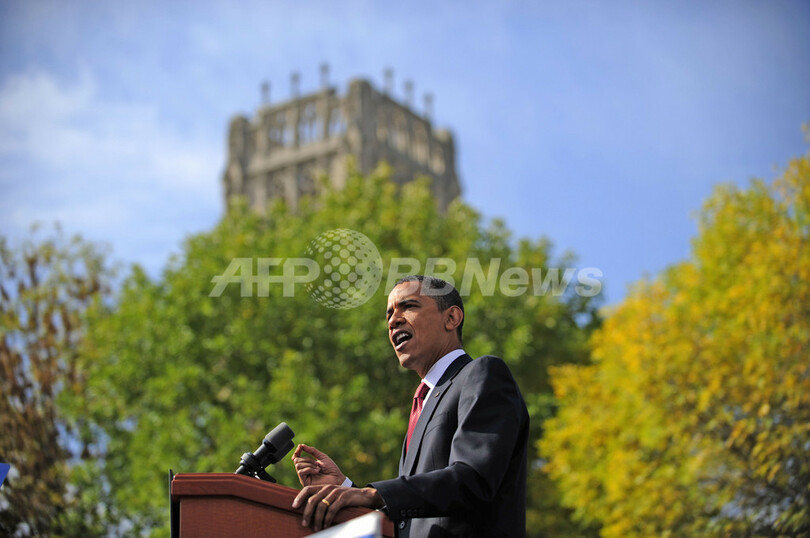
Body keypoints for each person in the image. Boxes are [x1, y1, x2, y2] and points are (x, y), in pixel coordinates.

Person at [291, 275, 529, 537]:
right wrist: (346, 489)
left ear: (451, 318)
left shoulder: (482, 374)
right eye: (389, 314)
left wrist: (374, 493)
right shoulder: (424, 402)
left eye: (409, 306)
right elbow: (409, 519)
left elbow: (473, 479)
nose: (394, 320)